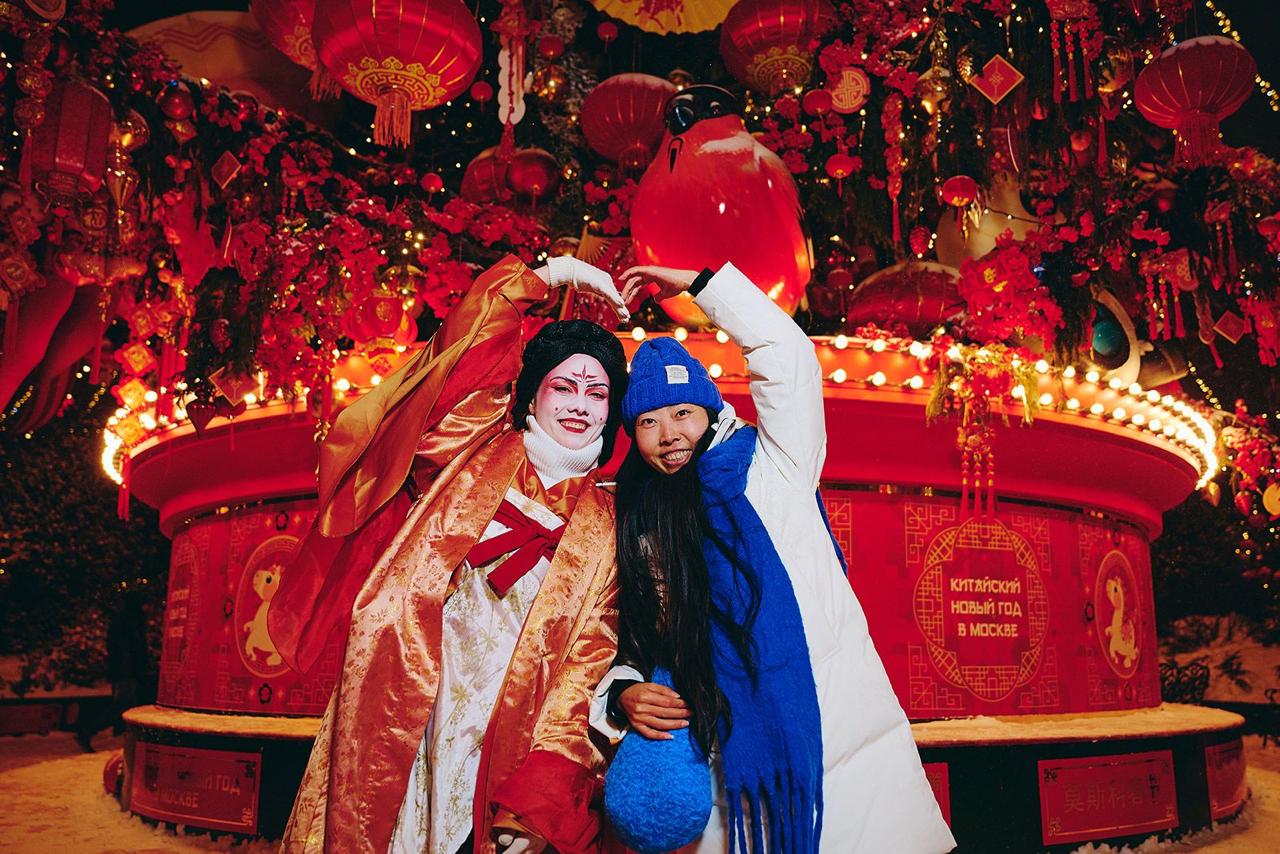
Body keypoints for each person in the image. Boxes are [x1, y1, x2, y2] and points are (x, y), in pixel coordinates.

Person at [268, 254, 631, 854]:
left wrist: (538, 800)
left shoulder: (610, 525)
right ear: (532, 397)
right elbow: (466, 348)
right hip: (406, 708)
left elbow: (584, 668)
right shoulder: (469, 450)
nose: (579, 405)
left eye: (597, 393)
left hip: (506, 739)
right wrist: (551, 275)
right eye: (563, 387)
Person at [593, 263, 956, 853]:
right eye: (648, 421)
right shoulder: (637, 517)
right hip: (725, 763)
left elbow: (787, 355)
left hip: (841, 742)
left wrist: (701, 285)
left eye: (682, 412)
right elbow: (617, 635)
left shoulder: (773, 464)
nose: (669, 434)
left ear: (710, 410)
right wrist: (623, 691)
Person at [76, 589, 153, 752]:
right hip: (127, 671)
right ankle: (88, 731)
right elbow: (133, 647)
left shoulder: (123, 620)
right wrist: (138, 666)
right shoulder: (131, 621)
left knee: (127, 706)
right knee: (122, 706)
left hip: (123, 670)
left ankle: (127, 739)